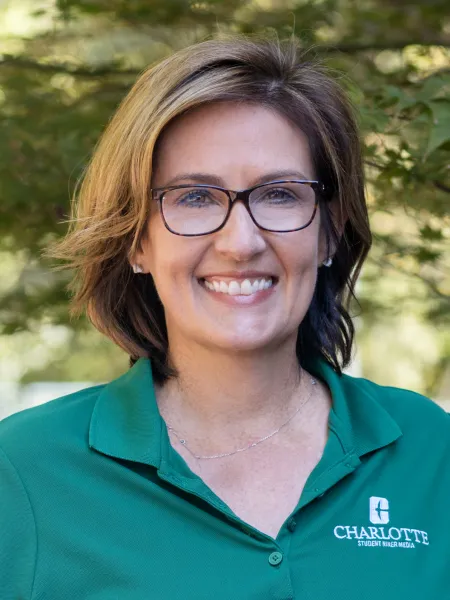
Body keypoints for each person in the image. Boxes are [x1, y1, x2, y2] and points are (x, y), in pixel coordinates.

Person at [1, 35, 449, 600]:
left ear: (329, 230)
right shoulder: (23, 474)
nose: (241, 242)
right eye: (194, 198)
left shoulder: (431, 451)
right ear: (137, 240)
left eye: (280, 194)